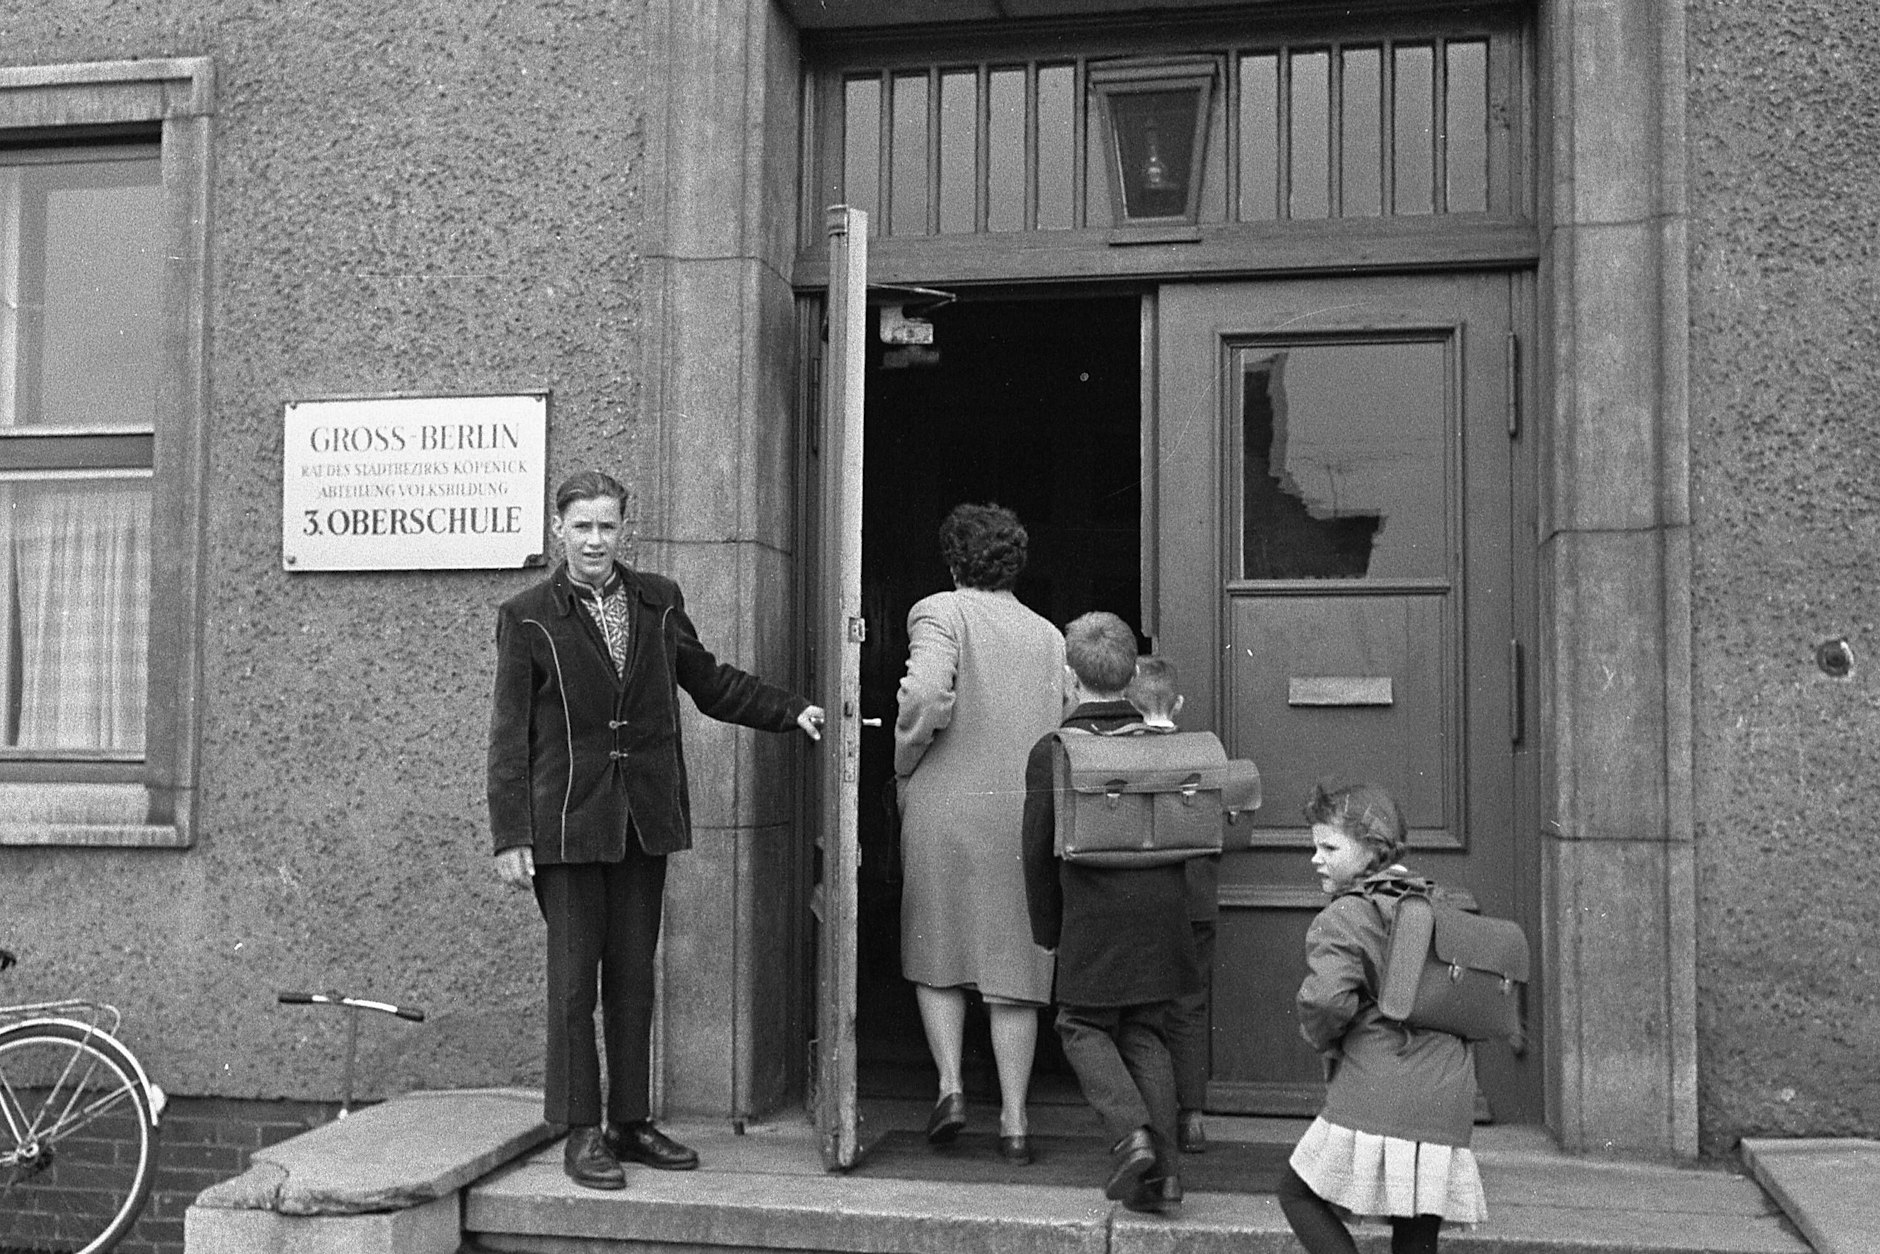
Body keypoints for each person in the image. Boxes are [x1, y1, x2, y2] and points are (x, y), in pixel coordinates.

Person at [487, 471, 825, 1191]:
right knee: (575, 986)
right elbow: (507, 737)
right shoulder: (527, 617)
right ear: (559, 530)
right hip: (569, 829)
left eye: (607, 526)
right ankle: (581, 1130)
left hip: (645, 820)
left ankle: (630, 1123)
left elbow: (710, 682)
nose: (595, 541)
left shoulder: (659, 601)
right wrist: (511, 835)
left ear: (624, 529)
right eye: (582, 526)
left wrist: (789, 710)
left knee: (635, 981)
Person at [894, 502, 1065, 1164]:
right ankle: (1016, 1122)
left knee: (936, 946)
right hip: (1022, 810)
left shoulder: (938, 611)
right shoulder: (1049, 635)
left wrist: (906, 760)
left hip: (947, 803)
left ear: (952, 556)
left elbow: (926, 696)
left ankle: (951, 1088)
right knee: (1014, 966)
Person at [1021, 612, 1198, 1212]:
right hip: (1161, 917)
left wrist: (1047, 931)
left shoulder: (1055, 750)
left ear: (1070, 679)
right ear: (1129, 678)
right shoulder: (1165, 746)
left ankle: (1131, 1138)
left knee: (1080, 1024)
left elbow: (1036, 851)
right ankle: (1166, 1177)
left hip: (1093, 921)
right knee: (1146, 1032)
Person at [1278, 783, 1487, 1254]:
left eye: (1329, 847)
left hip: (1380, 1085)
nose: (1316, 858)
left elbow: (1327, 1003)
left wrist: (1322, 1040)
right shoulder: (1435, 904)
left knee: (1297, 1193)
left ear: (1372, 850)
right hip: (1447, 1093)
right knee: (1414, 1228)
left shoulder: (1345, 917)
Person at [1125, 655, 1215, 1156]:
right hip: (1196, 896)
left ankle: (1147, 1114)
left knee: (1142, 1010)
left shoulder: (1121, 755)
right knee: (1189, 1004)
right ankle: (1193, 1116)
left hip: (1145, 896)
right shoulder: (1200, 751)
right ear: (1177, 704)